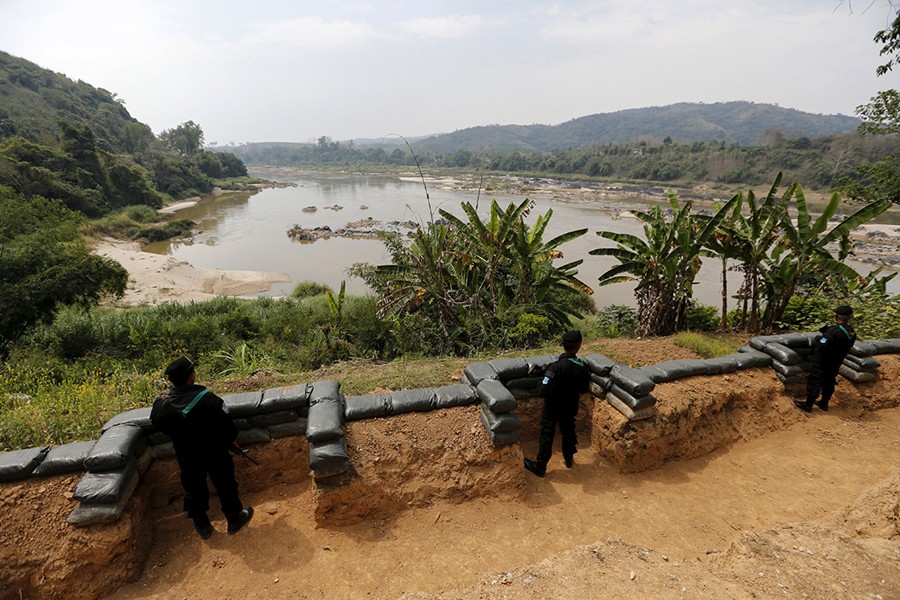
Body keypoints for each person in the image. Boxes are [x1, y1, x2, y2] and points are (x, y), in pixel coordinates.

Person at [150, 357, 253, 538]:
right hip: (215, 451)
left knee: (193, 487)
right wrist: (230, 441)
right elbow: (228, 428)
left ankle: (202, 525)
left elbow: (160, 427)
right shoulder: (209, 400)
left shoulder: (162, 406)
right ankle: (234, 518)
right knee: (225, 483)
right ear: (192, 376)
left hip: (186, 455)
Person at [524, 329, 591, 477]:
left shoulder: (555, 367)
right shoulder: (583, 367)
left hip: (553, 406)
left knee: (547, 433)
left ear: (563, 345)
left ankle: (540, 466)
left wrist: (540, 379)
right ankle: (569, 458)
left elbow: (543, 389)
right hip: (571, 405)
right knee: (568, 430)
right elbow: (584, 388)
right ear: (579, 346)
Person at [795, 305, 857, 413]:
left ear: (837, 316)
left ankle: (808, 404)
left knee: (815, 379)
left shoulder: (833, 331)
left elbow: (821, 345)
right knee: (830, 380)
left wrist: (819, 338)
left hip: (824, 360)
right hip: (837, 361)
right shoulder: (851, 332)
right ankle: (824, 403)